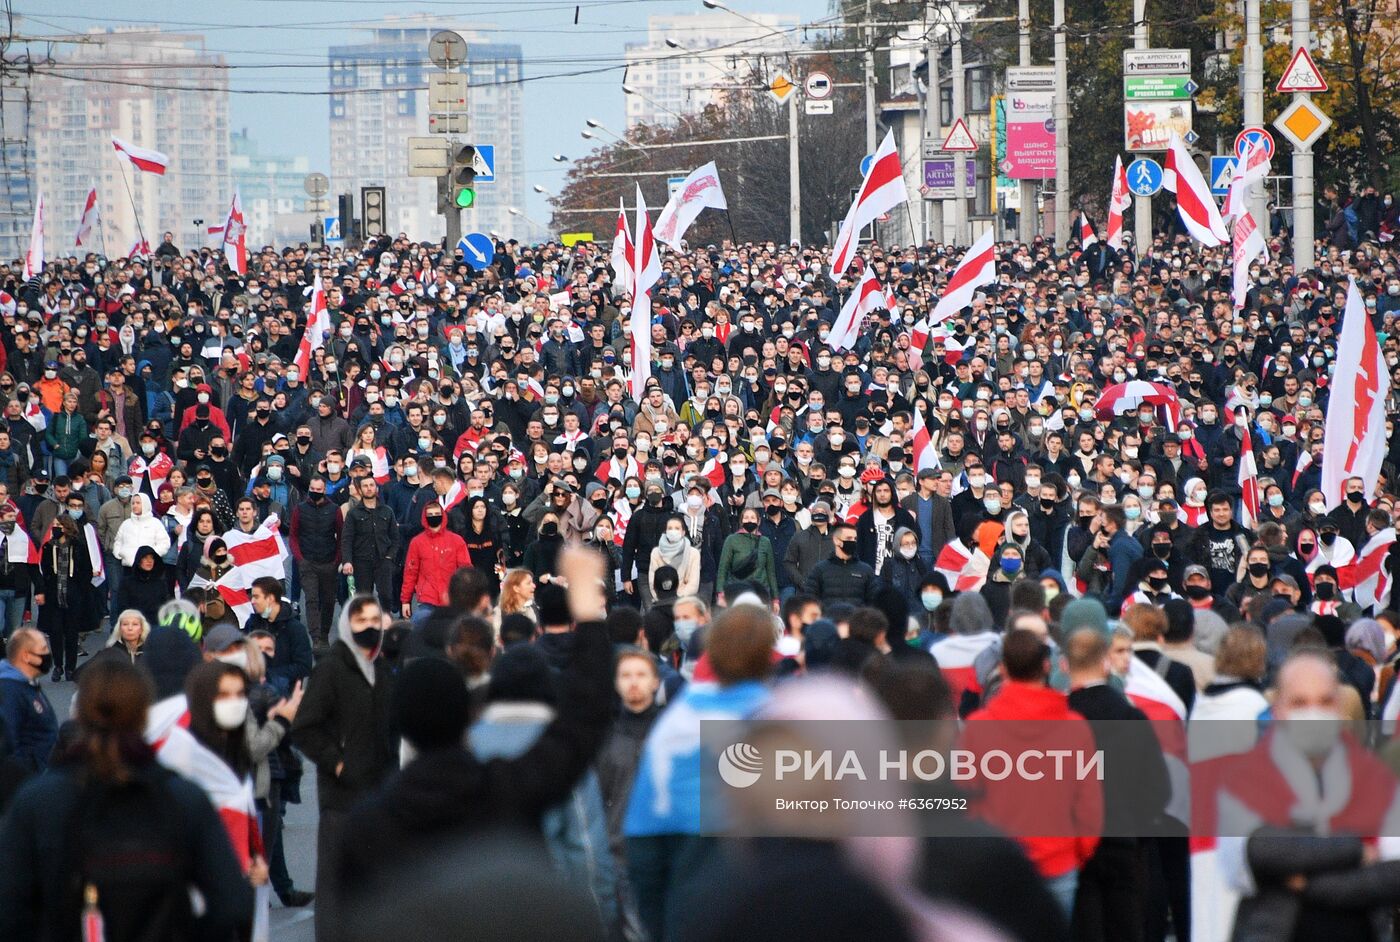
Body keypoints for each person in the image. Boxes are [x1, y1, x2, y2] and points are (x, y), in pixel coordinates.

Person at [330, 546, 613, 921]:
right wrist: (589, 612)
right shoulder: (502, 789)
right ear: (468, 712)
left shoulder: (369, 825)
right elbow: (581, 723)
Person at [0, 659, 252, 941]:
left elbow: (10, 910)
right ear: (144, 713)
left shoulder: (38, 800)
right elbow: (233, 903)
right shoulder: (182, 797)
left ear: (79, 713)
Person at [624, 603, 775, 942]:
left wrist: (661, 925)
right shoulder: (786, 719)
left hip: (689, 910)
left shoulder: (676, 720)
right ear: (768, 654)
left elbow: (644, 845)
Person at [292, 595, 399, 942]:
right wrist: (337, 764)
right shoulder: (332, 668)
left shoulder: (383, 670)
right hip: (342, 796)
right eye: (360, 621)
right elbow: (305, 727)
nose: (369, 627)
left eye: (374, 620)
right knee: (337, 884)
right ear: (346, 626)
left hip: (381, 793)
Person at [35, 514, 95, 682]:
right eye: (54, 525)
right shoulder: (48, 547)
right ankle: (58, 666)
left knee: (71, 632)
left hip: (73, 595)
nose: (55, 528)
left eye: (58, 525)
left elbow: (86, 570)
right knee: (55, 631)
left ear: (67, 527)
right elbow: (45, 571)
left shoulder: (78, 546)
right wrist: (44, 590)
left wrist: (79, 589)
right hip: (54, 595)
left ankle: (70, 667)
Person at [289, 474, 343, 647]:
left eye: (318, 490)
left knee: (328, 600)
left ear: (324, 490)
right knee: (311, 599)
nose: (315, 492)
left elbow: (341, 536)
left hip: (329, 561)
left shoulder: (334, 509)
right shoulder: (300, 509)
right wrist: (300, 559)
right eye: (312, 489)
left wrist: (337, 560)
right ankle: (316, 638)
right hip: (308, 561)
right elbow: (293, 536)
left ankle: (325, 634)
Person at [400, 502, 471, 624]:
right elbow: (410, 573)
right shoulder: (417, 542)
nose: (434, 516)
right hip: (427, 599)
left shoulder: (456, 541)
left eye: (437, 514)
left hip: (452, 598)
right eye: (430, 514)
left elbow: (466, 571)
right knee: (421, 626)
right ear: (425, 517)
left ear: (443, 515)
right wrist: (405, 601)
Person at [245, 576, 314, 698]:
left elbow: (304, 666)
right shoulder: (252, 624)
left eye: (256, 597)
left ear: (270, 598)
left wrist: (270, 675)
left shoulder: (295, 629)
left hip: (285, 696)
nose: (252, 601)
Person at [0, 628, 56, 773]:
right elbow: (8, 743)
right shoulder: (9, 691)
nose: (47, 653)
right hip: (25, 781)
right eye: (43, 648)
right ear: (26, 656)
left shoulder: (28, 684)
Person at [340, 475, 401, 606]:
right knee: (364, 600)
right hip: (361, 561)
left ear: (377, 488)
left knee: (386, 597)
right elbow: (347, 539)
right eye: (365, 486)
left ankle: (386, 623)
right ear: (360, 490)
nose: (369, 488)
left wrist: (390, 556)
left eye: (371, 485)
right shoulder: (353, 513)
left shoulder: (387, 511)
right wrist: (347, 561)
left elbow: (395, 538)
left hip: (383, 560)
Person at [804, 521, 880, 608]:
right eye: (848, 538)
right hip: (829, 619)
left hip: (856, 620)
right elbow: (810, 599)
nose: (853, 542)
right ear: (836, 540)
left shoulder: (866, 570)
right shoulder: (820, 569)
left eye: (855, 539)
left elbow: (873, 602)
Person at [716, 507, 777, 602]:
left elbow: (770, 572)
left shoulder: (765, 541)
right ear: (741, 521)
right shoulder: (731, 540)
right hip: (737, 590)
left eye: (753, 518)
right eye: (746, 517)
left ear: (758, 521)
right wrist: (720, 592)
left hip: (761, 591)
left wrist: (775, 598)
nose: (749, 520)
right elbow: (723, 568)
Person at [650, 514, 700, 603]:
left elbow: (693, 584)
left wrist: (678, 598)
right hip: (661, 601)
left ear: (683, 532)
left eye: (677, 528)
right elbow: (652, 581)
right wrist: (662, 599)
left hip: (685, 602)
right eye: (670, 528)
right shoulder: (656, 553)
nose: (673, 531)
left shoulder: (693, 553)